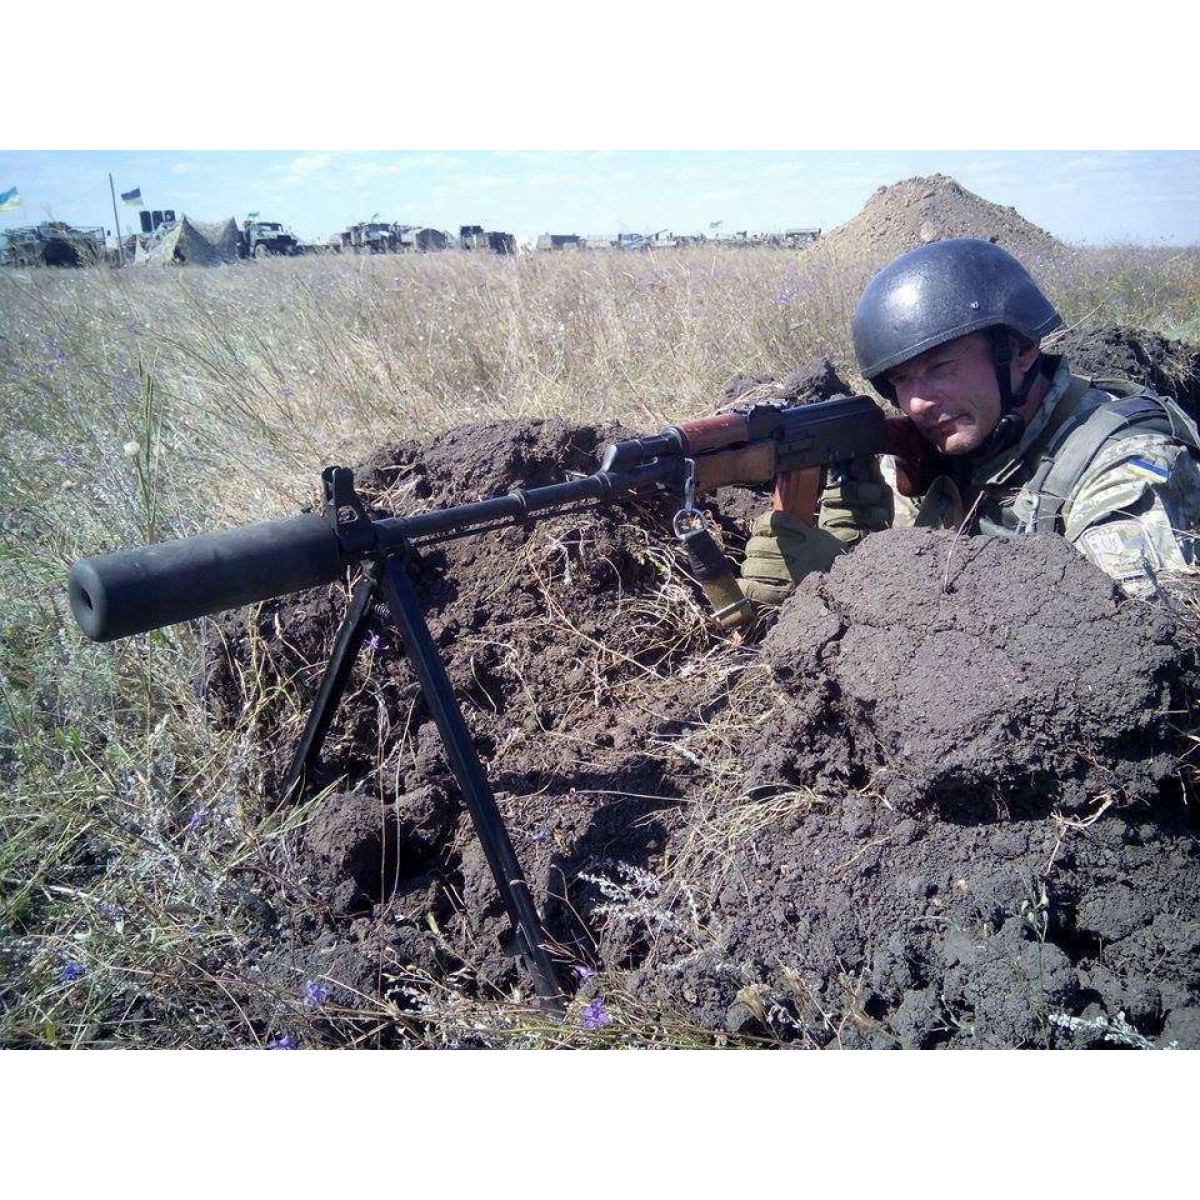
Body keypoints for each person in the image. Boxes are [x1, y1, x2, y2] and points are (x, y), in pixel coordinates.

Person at [740, 237, 1200, 605]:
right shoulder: (950, 441)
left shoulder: (1125, 465)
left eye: (941, 367)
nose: (916, 403)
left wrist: (854, 586)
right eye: (901, 379)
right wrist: (858, 552)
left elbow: (1117, 648)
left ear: (1020, 351)